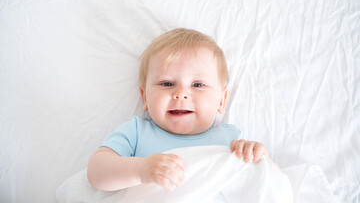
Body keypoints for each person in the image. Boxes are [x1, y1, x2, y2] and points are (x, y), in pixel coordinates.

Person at [87, 28, 277, 192]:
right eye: (167, 83)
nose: (181, 94)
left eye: (198, 84)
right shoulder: (137, 132)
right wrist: (139, 169)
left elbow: (269, 185)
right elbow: (96, 172)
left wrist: (261, 159)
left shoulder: (232, 142)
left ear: (222, 100)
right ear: (144, 97)